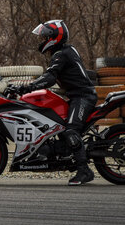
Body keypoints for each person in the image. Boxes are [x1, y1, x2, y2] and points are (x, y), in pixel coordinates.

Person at [10, 20, 97, 186]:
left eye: (44, 37)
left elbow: (49, 77)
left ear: (54, 37)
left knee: (71, 130)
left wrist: (26, 88)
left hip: (83, 97)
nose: (42, 40)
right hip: (75, 96)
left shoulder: (61, 54)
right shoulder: (64, 51)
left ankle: (84, 170)